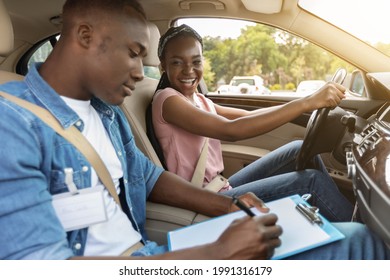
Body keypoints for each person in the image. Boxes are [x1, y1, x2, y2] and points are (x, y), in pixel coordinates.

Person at [0, 0, 388, 260]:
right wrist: (214, 253)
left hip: (153, 253)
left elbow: (149, 177)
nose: (141, 73)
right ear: (85, 36)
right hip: (152, 260)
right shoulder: (12, 123)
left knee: (350, 236)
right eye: (134, 54)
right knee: (360, 242)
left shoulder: (105, 110)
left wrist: (230, 205)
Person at [152, 24, 353, 223]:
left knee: (297, 150)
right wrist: (306, 102)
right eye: (177, 63)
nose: (189, 70)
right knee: (311, 182)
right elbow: (230, 131)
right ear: (163, 66)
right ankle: (362, 236)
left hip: (221, 186)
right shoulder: (168, 100)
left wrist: (306, 102)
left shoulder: (198, 99)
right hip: (203, 200)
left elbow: (246, 116)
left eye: (196, 62)